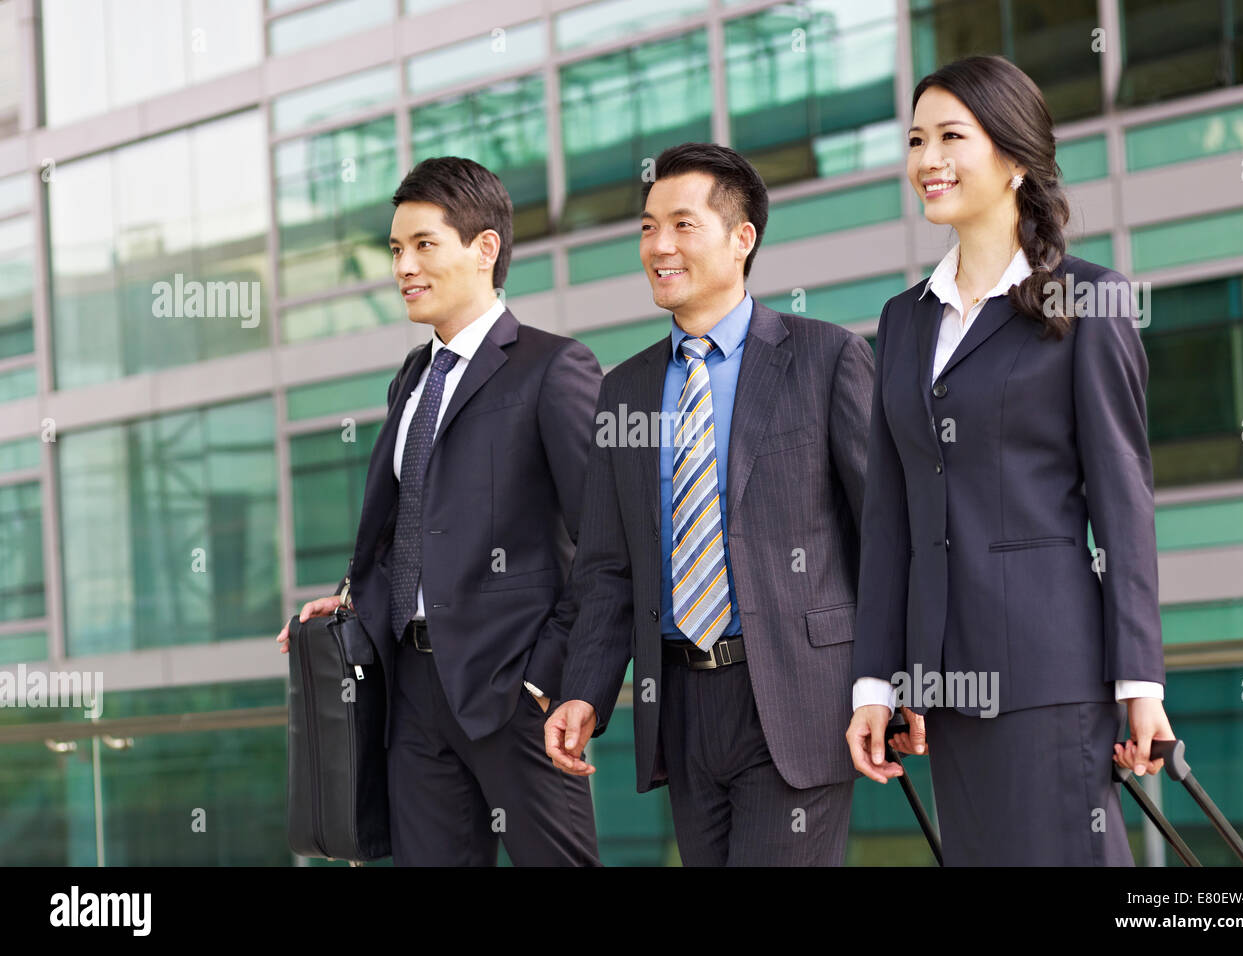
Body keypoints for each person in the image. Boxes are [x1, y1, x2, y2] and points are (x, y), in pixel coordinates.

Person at [845, 55, 1174, 865]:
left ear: (1016, 156)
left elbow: (1123, 501)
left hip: (1050, 668)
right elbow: (891, 519)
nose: (929, 159)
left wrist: (1140, 681)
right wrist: (876, 682)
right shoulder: (904, 320)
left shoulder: (1089, 300)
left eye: (952, 136)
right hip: (944, 689)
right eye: (917, 139)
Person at [545, 143, 876, 865]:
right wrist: (586, 693)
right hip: (683, 706)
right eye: (646, 227)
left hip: (797, 698)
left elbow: (882, 534)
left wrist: (893, 681)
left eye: (683, 225)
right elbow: (606, 567)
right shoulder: (624, 391)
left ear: (742, 238)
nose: (658, 246)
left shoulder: (826, 359)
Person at [276, 156, 602, 866]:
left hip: (513, 693)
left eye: (425, 244)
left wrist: (546, 677)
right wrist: (349, 603)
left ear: (485, 249)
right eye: (396, 249)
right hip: (412, 692)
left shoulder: (554, 368)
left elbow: (605, 546)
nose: (404, 267)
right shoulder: (412, 379)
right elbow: (407, 523)